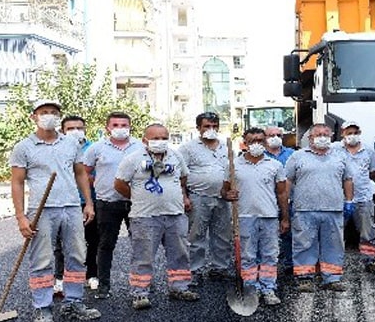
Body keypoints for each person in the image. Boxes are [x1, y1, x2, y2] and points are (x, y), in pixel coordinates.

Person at [9, 100, 101, 322]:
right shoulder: (24, 147)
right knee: (41, 260)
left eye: (53, 113)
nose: (48, 116)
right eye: (44, 113)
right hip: (41, 211)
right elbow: (17, 183)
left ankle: (74, 302)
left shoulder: (71, 144)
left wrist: (88, 203)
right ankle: (42, 308)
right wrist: (21, 217)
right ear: (34, 117)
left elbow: (80, 173)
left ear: (59, 117)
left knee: (77, 256)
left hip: (71, 207)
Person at [114, 123, 198, 310]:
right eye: (155, 138)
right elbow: (119, 184)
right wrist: (137, 197)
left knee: (180, 253)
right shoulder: (133, 159)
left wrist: (182, 195)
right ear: (145, 140)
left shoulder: (175, 156)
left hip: (175, 214)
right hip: (145, 216)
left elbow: (183, 177)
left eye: (163, 138)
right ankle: (140, 293)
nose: (160, 142)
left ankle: (179, 287)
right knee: (143, 256)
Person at [223, 128, 289, 305]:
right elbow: (224, 190)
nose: (256, 144)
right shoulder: (233, 165)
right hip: (244, 217)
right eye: (252, 140)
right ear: (245, 143)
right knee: (247, 255)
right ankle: (250, 287)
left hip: (269, 216)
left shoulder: (275, 165)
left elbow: (282, 194)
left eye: (260, 140)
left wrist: (284, 218)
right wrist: (227, 194)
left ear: (265, 142)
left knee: (270, 255)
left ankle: (268, 288)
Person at [284, 123, 354, 292]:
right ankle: (304, 277)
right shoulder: (298, 156)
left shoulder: (340, 156)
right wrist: (285, 204)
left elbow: (348, 179)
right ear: (310, 138)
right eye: (318, 134)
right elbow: (287, 180)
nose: (323, 137)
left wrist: (349, 201)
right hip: (304, 209)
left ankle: (332, 278)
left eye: (326, 134)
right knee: (304, 244)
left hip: (333, 209)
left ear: (331, 137)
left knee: (333, 245)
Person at [83, 111, 142, 299]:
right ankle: (103, 286)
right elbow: (84, 173)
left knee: (141, 245)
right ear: (107, 127)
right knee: (105, 245)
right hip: (107, 204)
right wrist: (96, 186)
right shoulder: (96, 148)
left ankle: (141, 286)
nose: (120, 129)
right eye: (115, 125)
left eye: (124, 125)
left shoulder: (140, 147)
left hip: (137, 203)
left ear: (130, 126)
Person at [179, 112, 232, 286]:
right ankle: (195, 270)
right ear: (199, 128)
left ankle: (219, 268)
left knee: (222, 235)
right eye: (207, 126)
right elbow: (180, 175)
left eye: (214, 126)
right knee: (196, 235)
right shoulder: (188, 148)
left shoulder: (226, 147)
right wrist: (184, 196)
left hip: (222, 199)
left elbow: (232, 171)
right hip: (198, 198)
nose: (211, 129)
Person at [53, 115, 98, 296]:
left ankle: (91, 275)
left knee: (91, 240)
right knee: (60, 244)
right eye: (70, 128)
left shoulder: (93, 148)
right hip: (62, 202)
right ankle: (60, 278)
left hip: (87, 201)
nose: (75, 131)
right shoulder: (57, 149)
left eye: (79, 127)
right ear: (63, 131)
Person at [333, 121, 375, 274]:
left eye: (355, 132)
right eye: (349, 133)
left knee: (368, 232)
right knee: (336, 233)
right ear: (342, 134)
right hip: (338, 199)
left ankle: (371, 261)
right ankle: (334, 265)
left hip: (363, 197)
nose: (352, 136)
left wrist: (360, 178)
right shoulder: (334, 149)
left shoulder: (368, 149)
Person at [265, 126, 296, 275]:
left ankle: (290, 262)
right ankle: (268, 265)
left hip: (288, 199)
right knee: (267, 234)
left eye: (278, 135)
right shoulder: (260, 155)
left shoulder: (292, 154)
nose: (275, 137)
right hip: (266, 200)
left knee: (289, 232)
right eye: (271, 135)